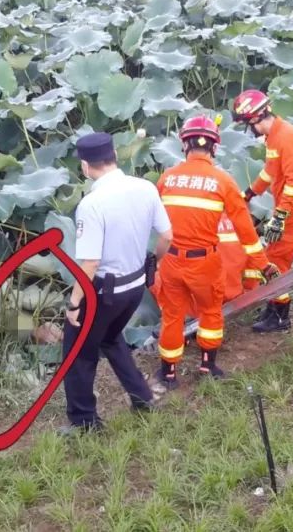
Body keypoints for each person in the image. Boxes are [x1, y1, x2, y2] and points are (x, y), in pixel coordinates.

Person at [155, 115, 280, 388]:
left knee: (172, 315)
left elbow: (154, 222)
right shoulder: (222, 181)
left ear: (184, 145)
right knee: (211, 312)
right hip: (205, 262)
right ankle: (207, 365)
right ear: (214, 147)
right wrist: (263, 264)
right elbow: (246, 231)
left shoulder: (167, 178)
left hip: (171, 260)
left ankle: (168, 374)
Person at [60, 132, 173, 434]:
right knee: (111, 338)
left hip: (103, 293)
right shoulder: (145, 188)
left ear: (85, 166)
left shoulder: (92, 204)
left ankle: (84, 422)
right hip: (134, 288)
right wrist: (154, 262)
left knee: (78, 353)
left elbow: (90, 264)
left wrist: (74, 304)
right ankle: (142, 397)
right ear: (114, 157)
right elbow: (167, 236)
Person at [232, 89, 293, 333]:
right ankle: (274, 306)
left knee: (276, 261)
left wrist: (279, 217)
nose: (250, 131)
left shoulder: (285, 138)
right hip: (287, 209)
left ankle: (280, 315)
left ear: (257, 118)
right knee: (274, 256)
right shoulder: (275, 136)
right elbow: (270, 172)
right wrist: (249, 193)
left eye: (249, 125)